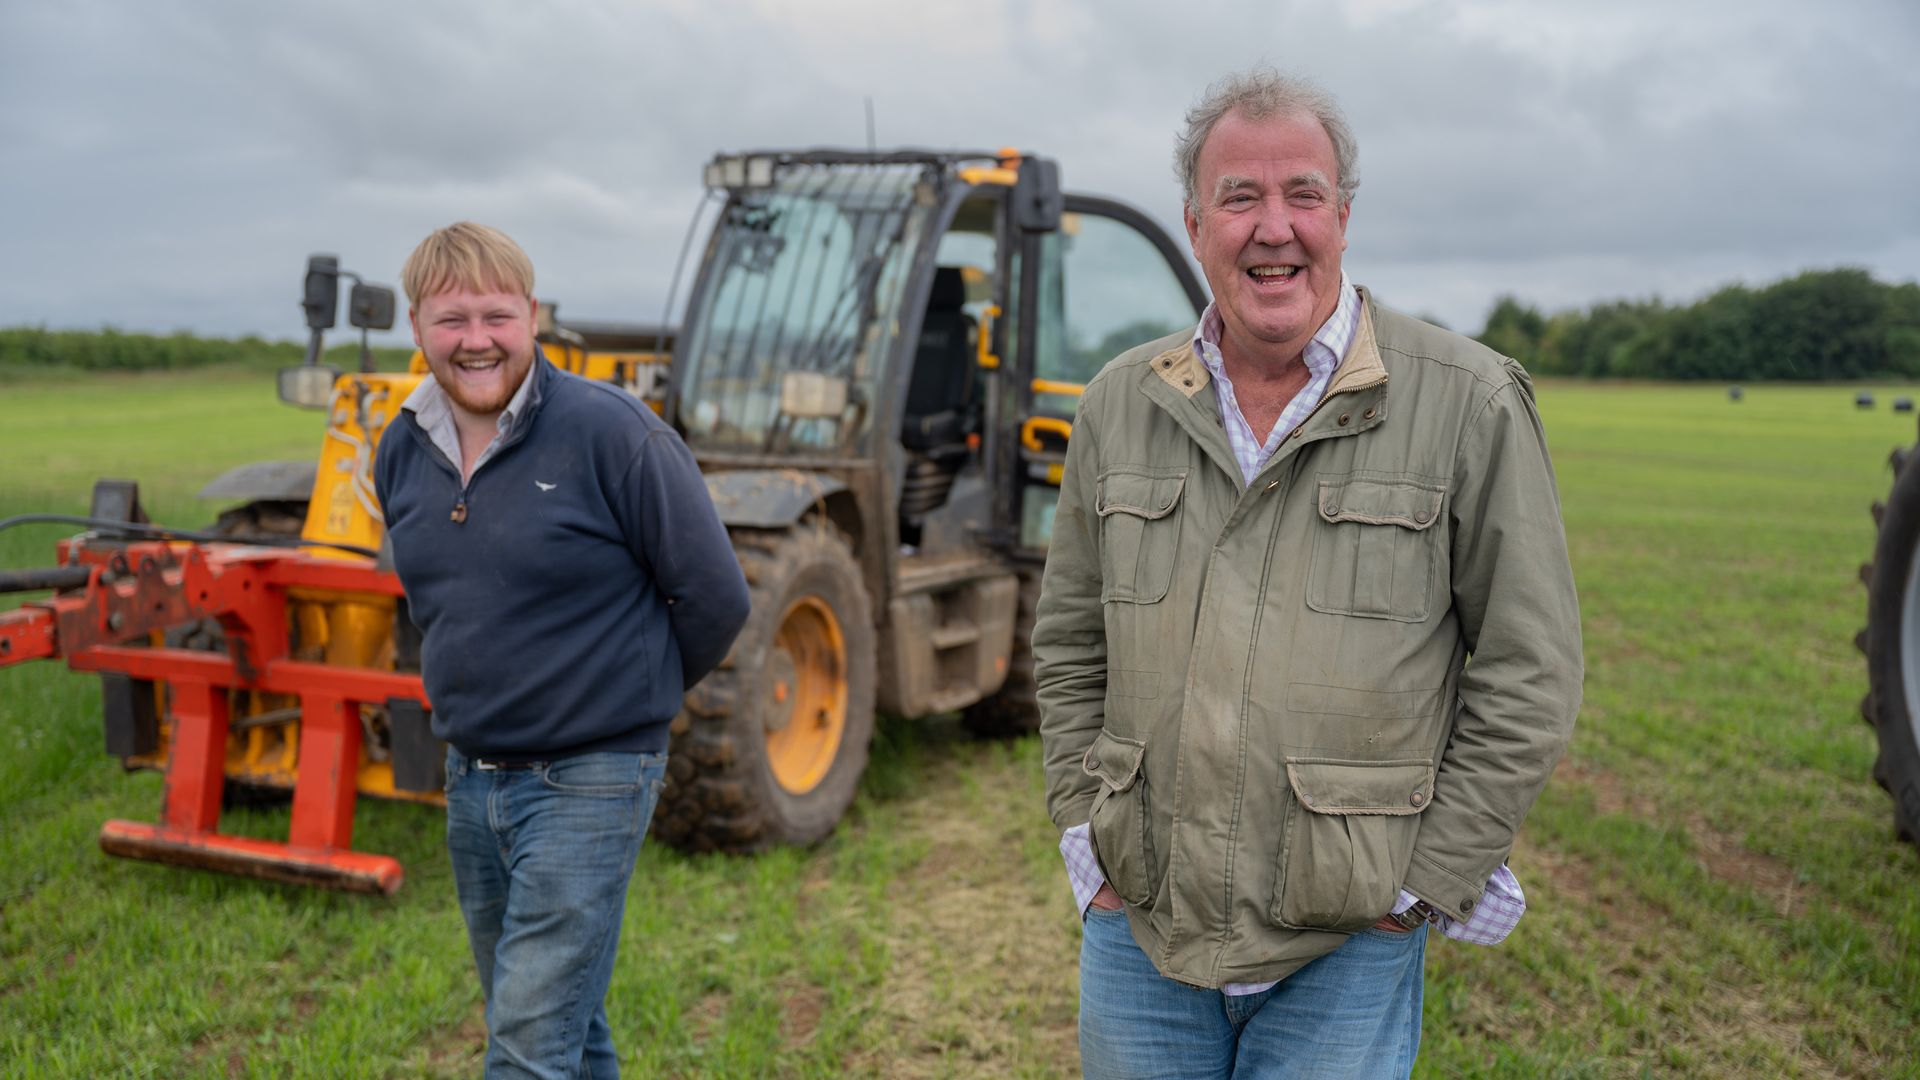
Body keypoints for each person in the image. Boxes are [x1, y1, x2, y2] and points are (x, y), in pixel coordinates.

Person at [1033, 70, 1582, 1079]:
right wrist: (1086, 836)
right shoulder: (1120, 402)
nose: (1272, 227)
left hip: (1348, 939)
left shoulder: (1468, 401)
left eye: (1303, 195)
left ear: (1343, 216)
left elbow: (1529, 670)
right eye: (1240, 197)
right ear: (1196, 223)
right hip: (1141, 926)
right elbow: (1070, 645)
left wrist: (1421, 882)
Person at [374, 221, 751, 1078]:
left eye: (496, 316)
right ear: (417, 328)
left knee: (524, 1048)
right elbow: (435, 601)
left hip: (591, 775)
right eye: (451, 320)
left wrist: (623, 699)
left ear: (531, 315)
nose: (476, 341)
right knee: (560, 1027)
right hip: (472, 777)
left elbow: (716, 598)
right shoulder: (400, 446)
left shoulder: (613, 433)